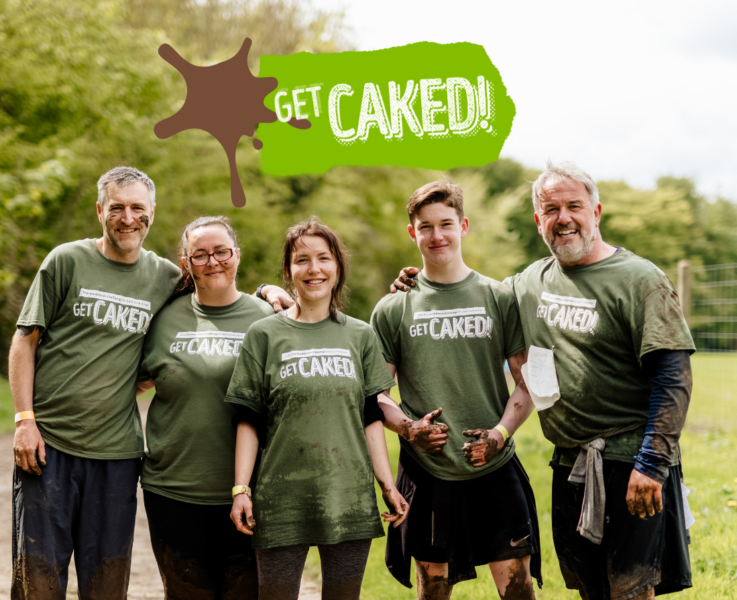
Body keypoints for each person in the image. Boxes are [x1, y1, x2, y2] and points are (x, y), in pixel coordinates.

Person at [392, 162, 695, 600]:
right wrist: (415, 281)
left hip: (632, 460)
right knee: (590, 586)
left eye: (574, 206)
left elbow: (673, 376)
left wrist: (652, 463)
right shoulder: (529, 282)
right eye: (551, 209)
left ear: (597, 211)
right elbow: (466, 290)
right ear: (538, 221)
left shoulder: (640, 279)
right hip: (570, 462)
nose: (563, 217)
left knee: (630, 588)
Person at [9, 168, 291, 599]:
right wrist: (24, 419)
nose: (127, 217)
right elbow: (24, 341)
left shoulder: (164, 278)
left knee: (107, 583)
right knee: (38, 580)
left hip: (119, 455)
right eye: (117, 207)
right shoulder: (67, 260)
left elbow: (215, 284)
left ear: (151, 213)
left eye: (137, 208)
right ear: (100, 210)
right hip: (49, 447)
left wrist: (269, 289)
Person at [370, 181, 541, 600]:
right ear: (412, 233)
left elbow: (527, 382)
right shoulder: (393, 308)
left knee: (517, 587)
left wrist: (500, 434)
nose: (437, 235)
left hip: (495, 464)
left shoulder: (498, 297)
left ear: (463, 226)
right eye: (425, 227)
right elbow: (375, 393)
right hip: (427, 468)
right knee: (433, 587)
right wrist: (410, 429)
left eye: (446, 224)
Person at [225, 217, 409, 600]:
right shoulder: (265, 334)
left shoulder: (359, 334)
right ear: (289, 270)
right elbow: (248, 419)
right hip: (280, 500)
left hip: (349, 498)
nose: (314, 269)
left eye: (323, 258)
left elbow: (371, 417)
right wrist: (241, 489)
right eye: (302, 260)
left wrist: (387, 484)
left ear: (337, 266)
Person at [137, 216, 275, 599]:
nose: (212, 261)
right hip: (173, 490)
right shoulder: (163, 319)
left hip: (250, 493)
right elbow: (131, 381)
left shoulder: (267, 320)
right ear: (186, 263)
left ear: (237, 255)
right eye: (200, 255)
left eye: (221, 252)